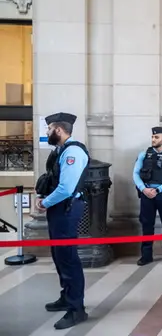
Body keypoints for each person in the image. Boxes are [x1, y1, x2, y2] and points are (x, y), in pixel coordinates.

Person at [35, 112, 89, 329]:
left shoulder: (73, 152)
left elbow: (66, 188)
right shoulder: (61, 150)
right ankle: (67, 296)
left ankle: (77, 309)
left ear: (58, 130)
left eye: (49, 129)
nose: (47, 132)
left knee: (68, 258)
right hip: (58, 208)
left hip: (66, 208)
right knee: (59, 256)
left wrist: (44, 203)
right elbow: (53, 179)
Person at [133, 126, 162, 266]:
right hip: (146, 194)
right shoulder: (144, 154)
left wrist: (158, 190)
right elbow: (135, 173)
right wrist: (143, 189)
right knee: (147, 225)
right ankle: (146, 256)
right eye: (153, 137)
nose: (153, 139)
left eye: (156, 137)